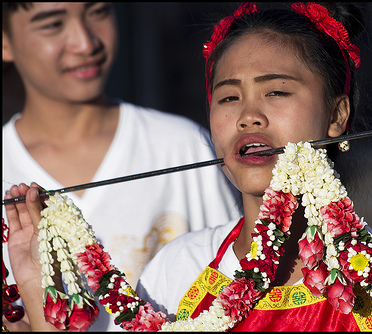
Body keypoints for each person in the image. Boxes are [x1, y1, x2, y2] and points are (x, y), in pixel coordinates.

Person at [5, 2, 372, 331]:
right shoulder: (177, 273)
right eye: (229, 97)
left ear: (337, 117)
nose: (249, 115)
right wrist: (36, 294)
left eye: (277, 92)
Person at [2, 2, 241, 331]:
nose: (85, 43)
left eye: (98, 12)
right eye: (52, 24)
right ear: (5, 40)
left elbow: (240, 279)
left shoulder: (182, 146)